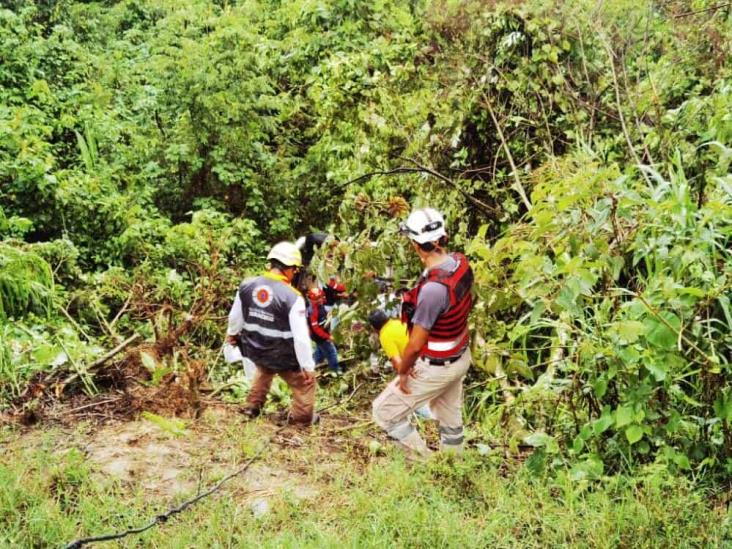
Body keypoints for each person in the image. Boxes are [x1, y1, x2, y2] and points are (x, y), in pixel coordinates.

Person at [372, 207, 474, 455]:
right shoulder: (460, 263)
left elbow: (415, 345)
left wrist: (404, 373)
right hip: (460, 356)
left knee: (384, 412)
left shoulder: (432, 291)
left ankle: (425, 460)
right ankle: (454, 466)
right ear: (444, 237)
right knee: (449, 418)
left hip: (437, 366)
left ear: (415, 244)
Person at [226, 242, 318, 425]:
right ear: (290, 269)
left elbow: (235, 317)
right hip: (283, 354)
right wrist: (308, 366)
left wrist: (232, 334)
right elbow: (300, 337)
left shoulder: (247, 285)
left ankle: (252, 406)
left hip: (256, 348)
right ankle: (302, 418)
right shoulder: (293, 297)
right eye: (295, 270)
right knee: (304, 384)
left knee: (263, 370)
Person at [368, 309, 433, 419]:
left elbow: (397, 362)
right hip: (430, 356)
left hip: (416, 365)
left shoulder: (385, 335)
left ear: (374, 327)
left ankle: (431, 419)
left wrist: (404, 375)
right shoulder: (399, 322)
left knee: (408, 395)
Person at [307, 287, 342, 374]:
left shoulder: (320, 306)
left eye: (320, 297)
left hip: (321, 334)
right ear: (311, 300)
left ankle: (310, 366)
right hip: (319, 336)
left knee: (320, 353)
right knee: (331, 352)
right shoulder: (312, 312)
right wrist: (327, 337)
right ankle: (336, 370)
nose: (319, 300)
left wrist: (329, 315)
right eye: (316, 299)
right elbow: (316, 329)